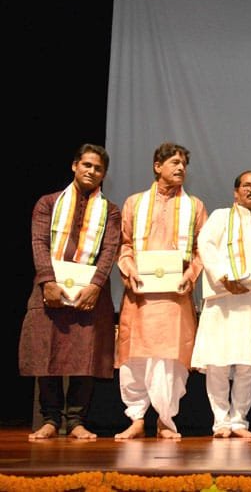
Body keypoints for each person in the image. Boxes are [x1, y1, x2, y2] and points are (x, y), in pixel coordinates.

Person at [19, 144, 121, 440]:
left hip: (91, 294)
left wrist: (95, 286)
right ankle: (50, 419)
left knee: (85, 355)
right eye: (87, 165)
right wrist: (48, 281)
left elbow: (110, 249)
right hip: (49, 290)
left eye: (98, 168)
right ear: (74, 166)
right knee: (46, 351)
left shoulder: (110, 212)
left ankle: (76, 421)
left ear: (104, 175)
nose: (91, 171)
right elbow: (39, 243)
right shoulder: (48, 203)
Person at [114, 142, 208, 439]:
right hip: (140, 294)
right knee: (136, 358)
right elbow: (124, 245)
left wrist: (190, 276)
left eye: (184, 164)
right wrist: (129, 271)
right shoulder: (135, 203)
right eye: (174, 162)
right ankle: (137, 418)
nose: (181, 168)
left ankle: (166, 419)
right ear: (158, 166)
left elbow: (200, 250)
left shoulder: (195, 206)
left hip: (174, 296)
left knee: (169, 360)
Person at [191, 170, 251, 438]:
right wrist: (224, 278)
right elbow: (205, 246)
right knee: (217, 362)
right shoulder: (221, 217)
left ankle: (238, 421)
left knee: (247, 364)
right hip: (223, 300)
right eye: (247, 186)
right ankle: (220, 421)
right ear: (236, 192)